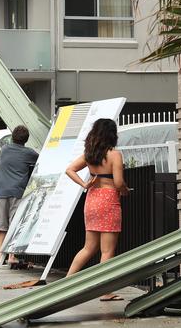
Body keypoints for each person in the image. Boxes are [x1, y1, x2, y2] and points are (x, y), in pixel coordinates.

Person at [65, 118, 128, 301]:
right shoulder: (114, 155)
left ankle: (67, 282)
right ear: (112, 134)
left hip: (92, 199)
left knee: (88, 247)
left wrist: (85, 184)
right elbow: (117, 182)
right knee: (107, 251)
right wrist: (124, 190)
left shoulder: (89, 154)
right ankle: (105, 291)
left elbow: (70, 170)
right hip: (109, 201)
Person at [0, 125, 38, 265]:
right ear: (26, 139)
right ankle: (12, 256)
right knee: (14, 225)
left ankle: (0, 256)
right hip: (17, 192)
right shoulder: (29, 153)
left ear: (13, 137)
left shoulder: (5, 149)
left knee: (1, 225)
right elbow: (39, 160)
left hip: (1, 191)